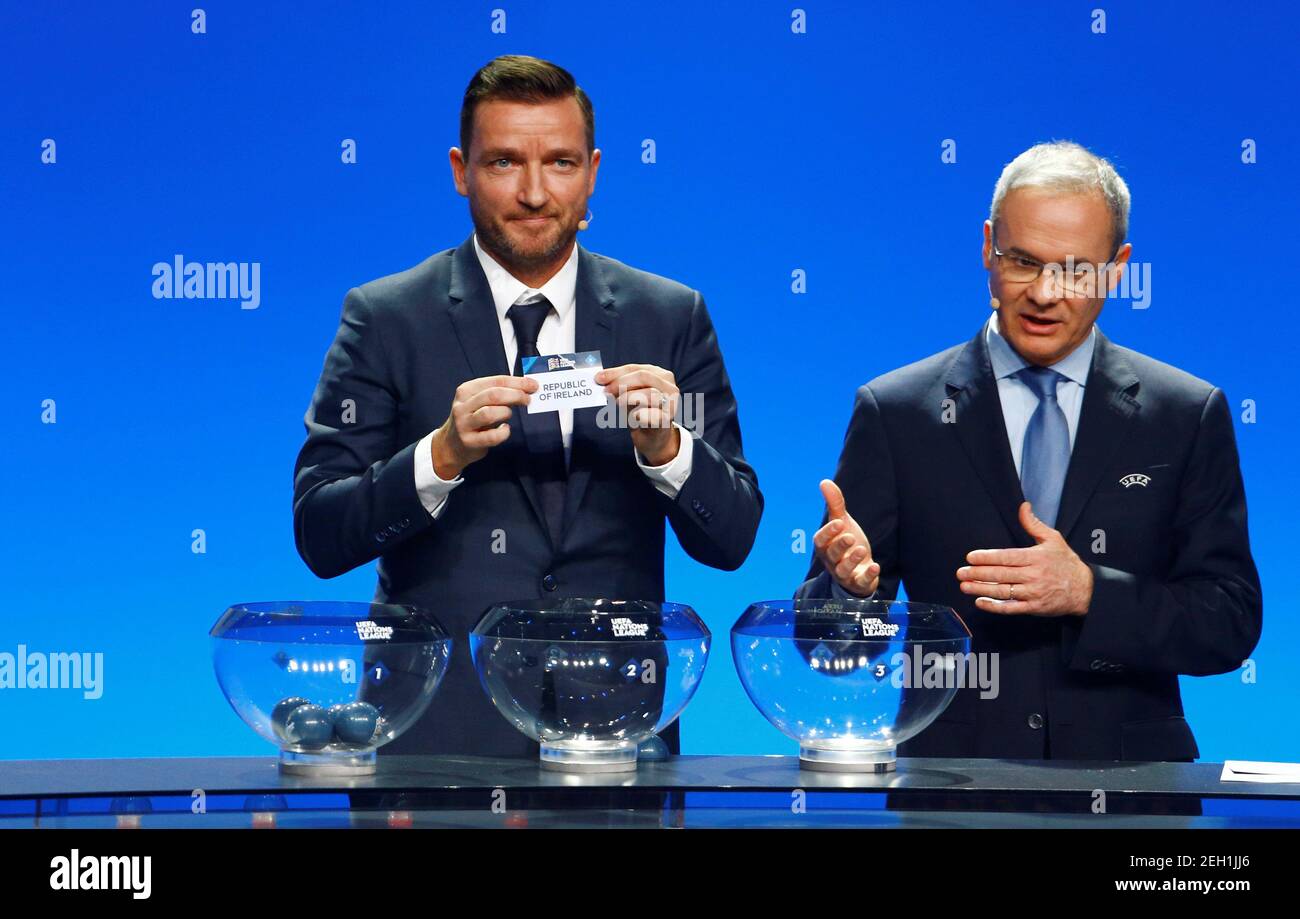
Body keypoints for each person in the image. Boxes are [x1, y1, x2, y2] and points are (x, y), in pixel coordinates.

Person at [294, 55, 762, 757]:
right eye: (506, 162)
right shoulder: (387, 317)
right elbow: (320, 535)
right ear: (460, 170)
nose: (536, 192)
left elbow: (732, 539)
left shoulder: (669, 316)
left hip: (615, 742)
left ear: (594, 171)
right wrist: (439, 456)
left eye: (562, 163)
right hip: (438, 745)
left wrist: (668, 451)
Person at [798, 141, 1261, 761]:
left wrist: (1090, 592)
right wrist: (847, 595)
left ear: (1117, 269)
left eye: (1074, 269)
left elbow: (1227, 623)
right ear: (988, 248)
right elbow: (825, 648)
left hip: (1133, 800)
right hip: (955, 796)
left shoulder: (1184, 413)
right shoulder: (897, 411)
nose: (1045, 293)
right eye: (1023, 261)